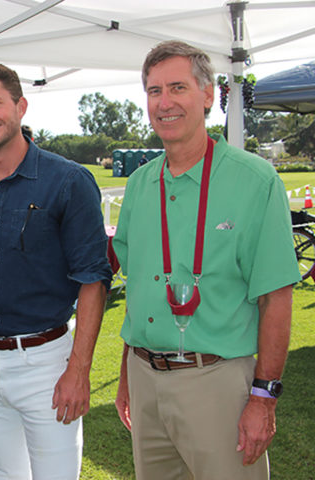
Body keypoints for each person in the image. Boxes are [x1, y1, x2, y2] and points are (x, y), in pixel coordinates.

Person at [113, 40, 300, 480]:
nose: (164, 102)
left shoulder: (255, 181)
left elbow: (276, 297)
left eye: (177, 87)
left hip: (216, 382)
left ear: (208, 94)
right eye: (154, 91)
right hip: (144, 375)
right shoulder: (140, 185)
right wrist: (125, 375)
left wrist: (263, 397)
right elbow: (139, 291)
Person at [0, 64, 112, 480]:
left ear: (20, 106)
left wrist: (79, 370)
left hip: (46, 363)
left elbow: (93, 280)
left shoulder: (68, 181)